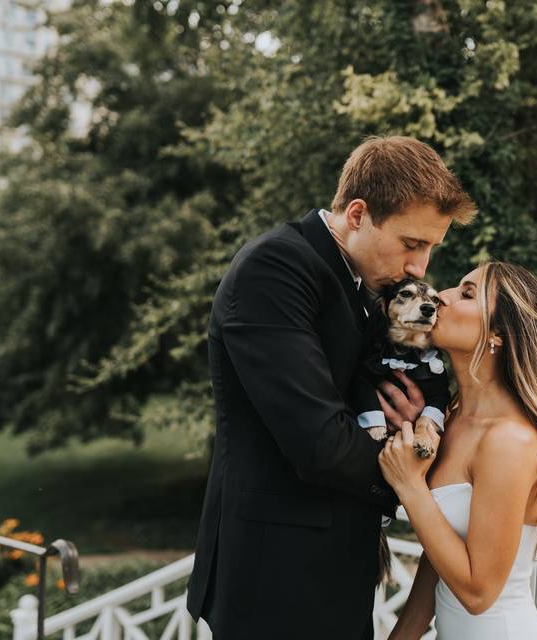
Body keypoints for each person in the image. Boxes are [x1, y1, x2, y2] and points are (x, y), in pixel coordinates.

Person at [185, 135, 476, 639]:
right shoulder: (274, 269)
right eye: (413, 243)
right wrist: (416, 475)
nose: (420, 267)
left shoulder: (366, 282)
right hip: (277, 581)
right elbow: (319, 442)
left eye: (431, 248)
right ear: (358, 214)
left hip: (337, 571)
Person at [380, 261, 537, 639]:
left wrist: (410, 486)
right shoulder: (450, 423)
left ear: (498, 334)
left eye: (466, 294)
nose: (442, 298)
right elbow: (436, 563)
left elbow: (479, 592)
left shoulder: (509, 439)